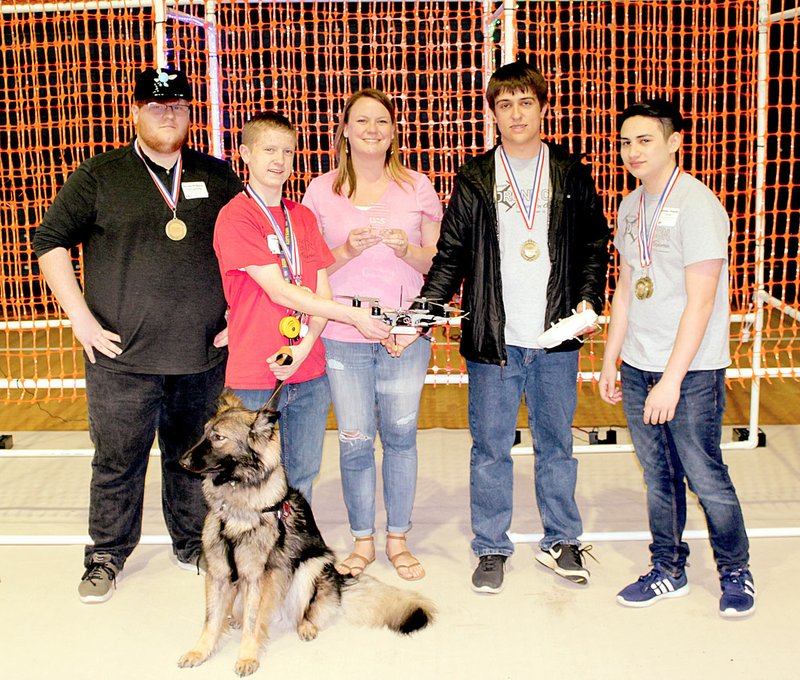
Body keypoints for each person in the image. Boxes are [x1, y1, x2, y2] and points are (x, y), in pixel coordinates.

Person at [32, 67, 244, 604]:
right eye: (156, 105)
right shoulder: (101, 176)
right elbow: (50, 241)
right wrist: (80, 318)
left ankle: (191, 544)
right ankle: (105, 553)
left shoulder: (219, 177)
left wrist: (238, 316)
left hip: (200, 355)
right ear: (134, 112)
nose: (168, 113)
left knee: (193, 455)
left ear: (190, 112)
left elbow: (250, 250)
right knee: (117, 459)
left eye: (177, 104)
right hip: (122, 358)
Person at [415, 60, 610, 594]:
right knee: (490, 449)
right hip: (493, 340)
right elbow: (450, 254)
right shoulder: (476, 176)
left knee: (556, 445)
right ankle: (492, 546)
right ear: (493, 113)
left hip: (554, 338)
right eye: (505, 104)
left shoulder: (570, 171)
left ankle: (562, 538)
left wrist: (590, 299)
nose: (516, 113)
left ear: (544, 108)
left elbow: (595, 241)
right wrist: (421, 314)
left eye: (526, 102)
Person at [599, 98, 755, 618]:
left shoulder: (699, 205)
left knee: (704, 473)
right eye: (625, 141)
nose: (632, 151)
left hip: (689, 371)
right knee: (657, 476)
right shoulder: (630, 207)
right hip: (641, 366)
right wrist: (610, 358)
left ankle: (736, 571)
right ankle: (668, 568)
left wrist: (672, 378)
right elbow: (624, 287)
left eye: (645, 140)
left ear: (674, 142)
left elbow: (703, 300)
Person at [213, 111, 391, 503]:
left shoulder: (303, 216)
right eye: (269, 150)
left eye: (288, 152)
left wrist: (303, 349)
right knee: (251, 481)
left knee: (303, 476)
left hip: (308, 371)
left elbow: (321, 293)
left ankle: (291, 559)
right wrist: (356, 317)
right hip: (255, 375)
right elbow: (280, 292)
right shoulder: (235, 217)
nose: (279, 160)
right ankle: (256, 562)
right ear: (245, 153)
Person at [303, 89, 442, 581]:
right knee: (355, 440)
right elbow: (309, 266)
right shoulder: (320, 191)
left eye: (382, 121)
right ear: (343, 129)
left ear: (393, 131)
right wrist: (344, 250)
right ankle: (363, 540)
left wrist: (407, 251)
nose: (372, 129)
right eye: (361, 120)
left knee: (401, 436)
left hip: (405, 333)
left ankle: (397, 538)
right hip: (343, 331)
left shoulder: (418, 186)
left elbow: (439, 261)